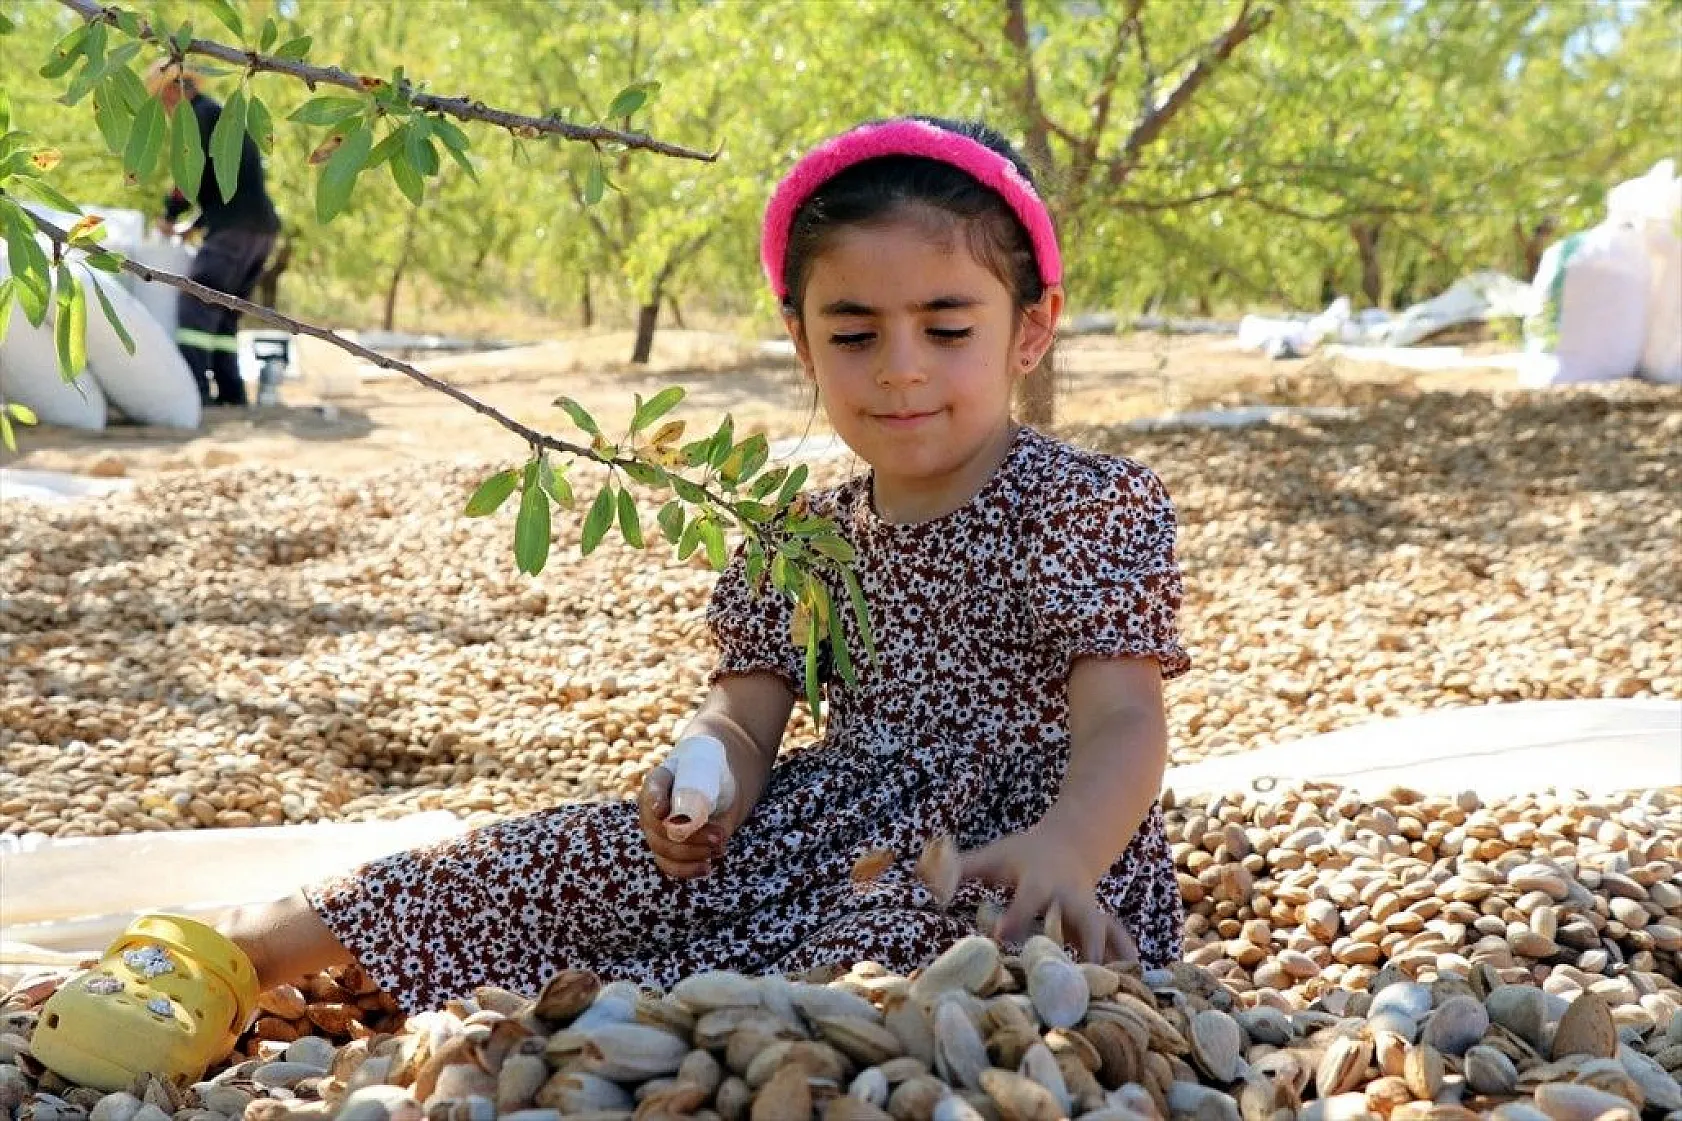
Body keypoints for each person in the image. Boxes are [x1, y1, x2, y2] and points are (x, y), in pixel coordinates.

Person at [33, 115, 1190, 1085]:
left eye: (946, 327)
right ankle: (230, 951)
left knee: (887, 981)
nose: (899, 366)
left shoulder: (1080, 503)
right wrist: (703, 776)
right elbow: (744, 713)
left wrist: (1067, 847)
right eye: (854, 330)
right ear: (800, 340)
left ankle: (658, 1044)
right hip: (816, 814)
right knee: (556, 849)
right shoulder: (798, 538)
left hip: (1010, 843)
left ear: (1027, 329)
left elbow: (1123, 719)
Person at [146, 60, 282, 408]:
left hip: (234, 229)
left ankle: (194, 393)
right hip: (260, 230)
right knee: (224, 313)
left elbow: (187, 172)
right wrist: (194, 225)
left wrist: (169, 215)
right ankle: (232, 394)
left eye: (162, 100)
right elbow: (221, 181)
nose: (164, 109)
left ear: (175, 89)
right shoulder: (221, 119)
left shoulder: (198, 118)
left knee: (195, 303)